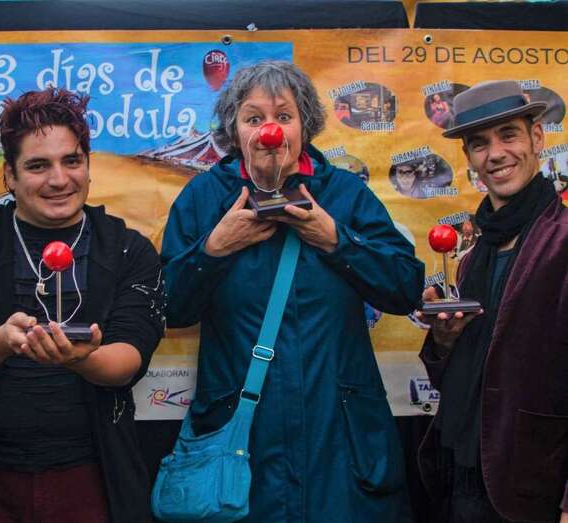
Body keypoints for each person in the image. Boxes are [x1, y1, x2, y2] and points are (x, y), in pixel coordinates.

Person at [161, 60, 424, 522]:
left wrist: (337, 240)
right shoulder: (202, 199)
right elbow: (170, 308)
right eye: (254, 117)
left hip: (340, 443)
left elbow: (405, 288)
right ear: (233, 128)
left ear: (305, 125)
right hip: (243, 446)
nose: (270, 131)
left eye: (283, 116)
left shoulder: (344, 194)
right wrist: (214, 249)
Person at [0, 87, 164, 523]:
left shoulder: (128, 250)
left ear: (88, 167)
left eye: (71, 161)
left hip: (92, 478)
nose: (59, 180)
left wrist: (79, 359)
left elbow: (128, 358)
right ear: (9, 176)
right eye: (38, 166)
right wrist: (2, 340)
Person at [416, 80, 568, 523]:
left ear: (537, 138)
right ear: (469, 159)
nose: (496, 154)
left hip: (532, 485)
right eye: (480, 144)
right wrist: (444, 341)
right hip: (459, 472)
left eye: (509, 135)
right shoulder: (472, 254)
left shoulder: (561, 240)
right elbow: (467, 373)